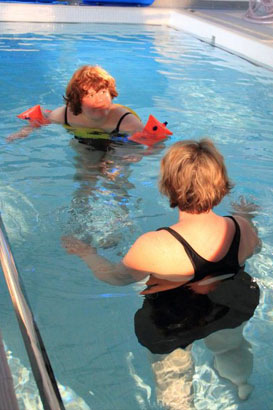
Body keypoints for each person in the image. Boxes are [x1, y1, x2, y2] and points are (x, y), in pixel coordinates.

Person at [62, 139, 261, 408]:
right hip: (230, 303)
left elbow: (115, 277)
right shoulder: (241, 227)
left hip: (174, 319)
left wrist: (87, 253)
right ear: (222, 185)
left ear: (168, 187)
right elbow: (253, 248)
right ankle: (240, 383)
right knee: (230, 345)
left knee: (174, 373)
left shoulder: (155, 245)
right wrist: (244, 215)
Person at [6, 65, 144, 146]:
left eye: (103, 92)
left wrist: (137, 152)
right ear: (77, 101)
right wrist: (25, 131)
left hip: (118, 141)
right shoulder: (65, 115)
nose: (99, 99)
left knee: (117, 170)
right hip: (84, 140)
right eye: (90, 95)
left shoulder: (126, 121)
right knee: (85, 172)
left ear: (112, 93)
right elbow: (43, 114)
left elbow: (152, 142)